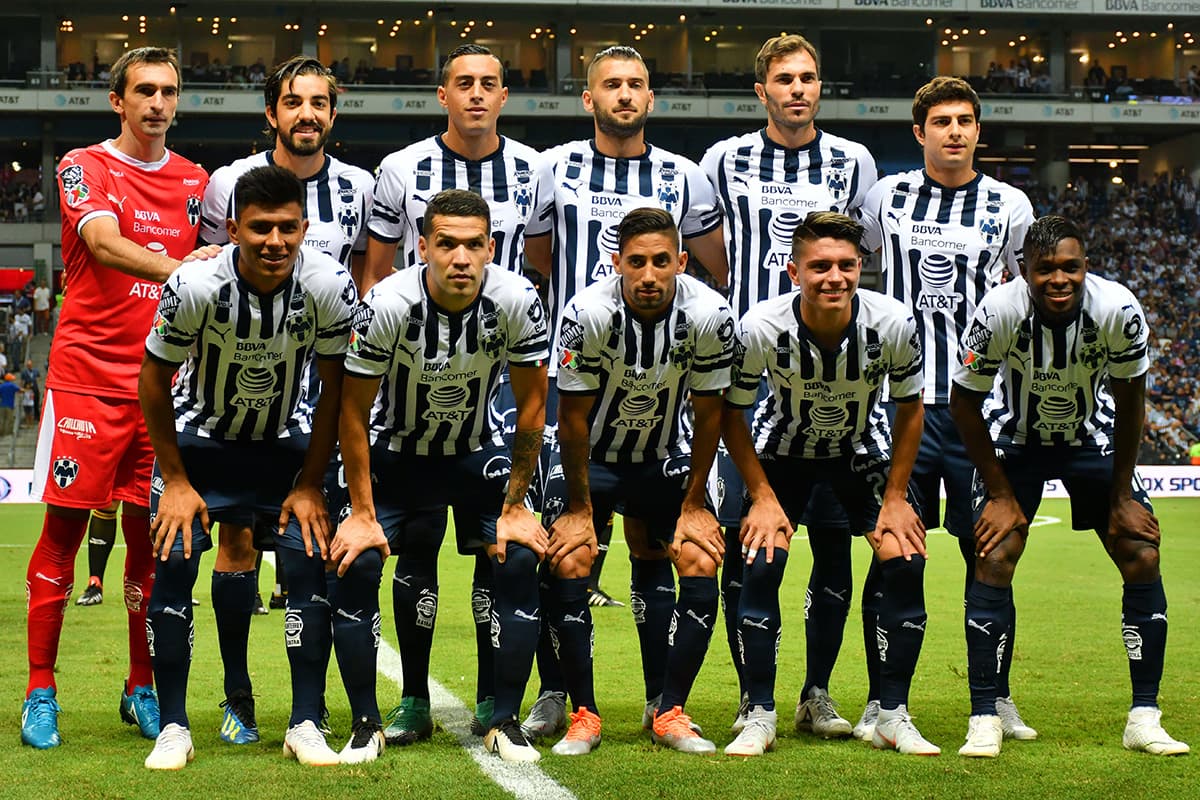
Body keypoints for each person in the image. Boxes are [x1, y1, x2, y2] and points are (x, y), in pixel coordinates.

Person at [522, 45, 727, 738]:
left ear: (652, 98)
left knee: (650, 544)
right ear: (589, 98)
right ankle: (558, 692)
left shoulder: (686, 175)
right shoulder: (554, 167)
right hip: (575, 373)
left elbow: (709, 261)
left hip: (661, 380)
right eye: (611, 84)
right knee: (568, 538)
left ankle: (656, 698)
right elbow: (538, 257)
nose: (625, 94)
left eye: (637, 84)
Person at [20, 46, 210, 751]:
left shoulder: (197, 182)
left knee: (149, 546)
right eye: (145, 92)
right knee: (64, 536)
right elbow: (101, 244)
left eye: (169, 91)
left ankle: (141, 687)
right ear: (118, 101)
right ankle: (41, 688)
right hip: (86, 382)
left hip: (161, 391)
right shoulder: (84, 166)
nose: (158, 104)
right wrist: (179, 268)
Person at [139, 165, 357, 769]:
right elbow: (153, 379)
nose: (275, 242)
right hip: (201, 443)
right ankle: (175, 726)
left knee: (307, 567)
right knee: (174, 567)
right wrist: (177, 481)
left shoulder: (330, 284)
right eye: (260, 228)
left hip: (286, 446)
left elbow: (338, 389)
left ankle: (305, 722)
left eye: (288, 228)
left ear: (305, 228)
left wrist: (313, 483)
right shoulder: (195, 285)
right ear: (233, 228)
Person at [949, 215, 1190, 758]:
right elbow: (963, 402)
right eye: (1045, 269)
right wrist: (1001, 495)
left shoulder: (1119, 309)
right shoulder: (998, 312)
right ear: (1023, 271)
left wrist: (1123, 495)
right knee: (994, 553)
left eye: (1070, 267)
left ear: (1087, 266)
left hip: (1091, 437)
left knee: (1141, 552)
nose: (1059, 279)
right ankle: (985, 715)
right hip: (1014, 438)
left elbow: (1131, 403)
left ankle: (1144, 716)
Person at [363, 43, 543, 742]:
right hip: (404, 404)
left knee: (500, 547)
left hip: (490, 399)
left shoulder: (536, 169)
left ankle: (503, 708)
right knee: (416, 547)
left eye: (489, 83)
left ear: (505, 94)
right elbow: (377, 274)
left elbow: (539, 269)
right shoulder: (400, 169)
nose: (475, 93)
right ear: (443, 93)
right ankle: (411, 699)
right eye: (462, 82)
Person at [331, 188, 549, 763]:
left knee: (516, 556)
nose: (460, 258)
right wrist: (359, 512)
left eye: (473, 245)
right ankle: (387, 713)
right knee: (363, 562)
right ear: (421, 247)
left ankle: (501, 714)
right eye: (446, 244)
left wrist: (517, 503)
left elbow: (532, 406)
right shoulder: (386, 304)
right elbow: (351, 411)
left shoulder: (518, 298)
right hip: (399, 456)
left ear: (491, 248)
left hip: (476, 453)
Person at [700, 33, 878, 738]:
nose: (797, 88)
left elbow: (860, 255)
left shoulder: (853, 161)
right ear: (762, 90)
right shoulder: (724, 159)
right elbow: (712, 250)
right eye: (784, 78)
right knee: (750, 546)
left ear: (818, 87)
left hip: (829, 383)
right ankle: (755, 699)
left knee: (833, 546)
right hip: (752, 375)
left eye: (808, 77)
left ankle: (818, 693)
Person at [198, 55, 374, 736]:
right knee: (236, 546)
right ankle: (237, 699)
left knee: (312, 551)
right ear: (272, 112)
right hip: (238, 404)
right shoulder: (228, 185)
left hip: (319, 409)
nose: (307, 114)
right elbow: (210, 279)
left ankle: (312, 704)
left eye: (320, 103)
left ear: (333, 114)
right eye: (293, 102)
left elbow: (364, 290)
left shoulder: (358, 189)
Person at [856, 76, 1036, 743]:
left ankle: (1000, 696)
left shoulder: (1009, 205)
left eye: (965, 120)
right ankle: (882, 700)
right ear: (919, 132)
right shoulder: (888, 196)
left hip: (975, 411)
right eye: (941, 121)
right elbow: (858, 268)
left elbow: (1024, 297)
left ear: (978, 131)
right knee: (894, 554)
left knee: (988, 550)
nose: (954, 131)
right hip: (899, 405)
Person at [721, 210, 930, 756]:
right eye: (820, 267)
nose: (834, 277)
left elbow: (910, 413)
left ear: (861, 267)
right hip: (782, 453)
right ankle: (759, 712)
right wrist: (763, 497)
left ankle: (890, 712)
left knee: (904, 558)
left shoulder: (894, 323)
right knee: (762, 561)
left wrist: (895, 499)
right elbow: (731, 412)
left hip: (859, 452)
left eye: (845, 265)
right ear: (794, 272)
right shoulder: (761, 327)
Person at [541, 207, 734, 756]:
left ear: (680, 260)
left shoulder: (709, 314)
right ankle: (582, 712)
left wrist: (695, 503)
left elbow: (709, 411)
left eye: (659, 262)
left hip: (665, 457)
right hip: (593, 458)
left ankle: (667, 708)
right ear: (616, 263)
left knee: (694, 557)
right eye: (636, 263)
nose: (648, 275)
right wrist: (580, 508)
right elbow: (572, 417)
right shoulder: (587, 312)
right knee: (569, 558)